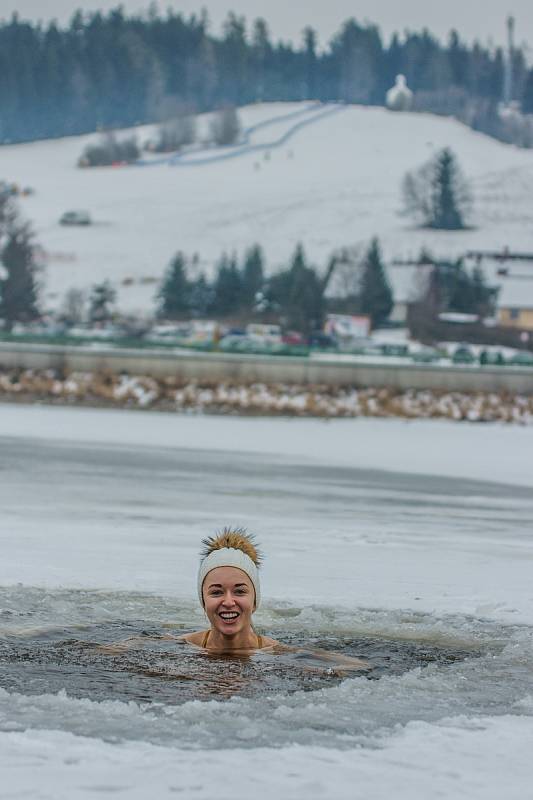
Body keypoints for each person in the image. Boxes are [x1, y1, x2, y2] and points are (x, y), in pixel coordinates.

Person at [182, 527, 369, 674]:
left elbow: (361, 667)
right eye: (216, 592)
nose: (229, 601)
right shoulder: (183, 645)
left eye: (239, 591)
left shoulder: (278, 653)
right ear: (203, 601)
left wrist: (326, 672)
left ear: (255, 601)